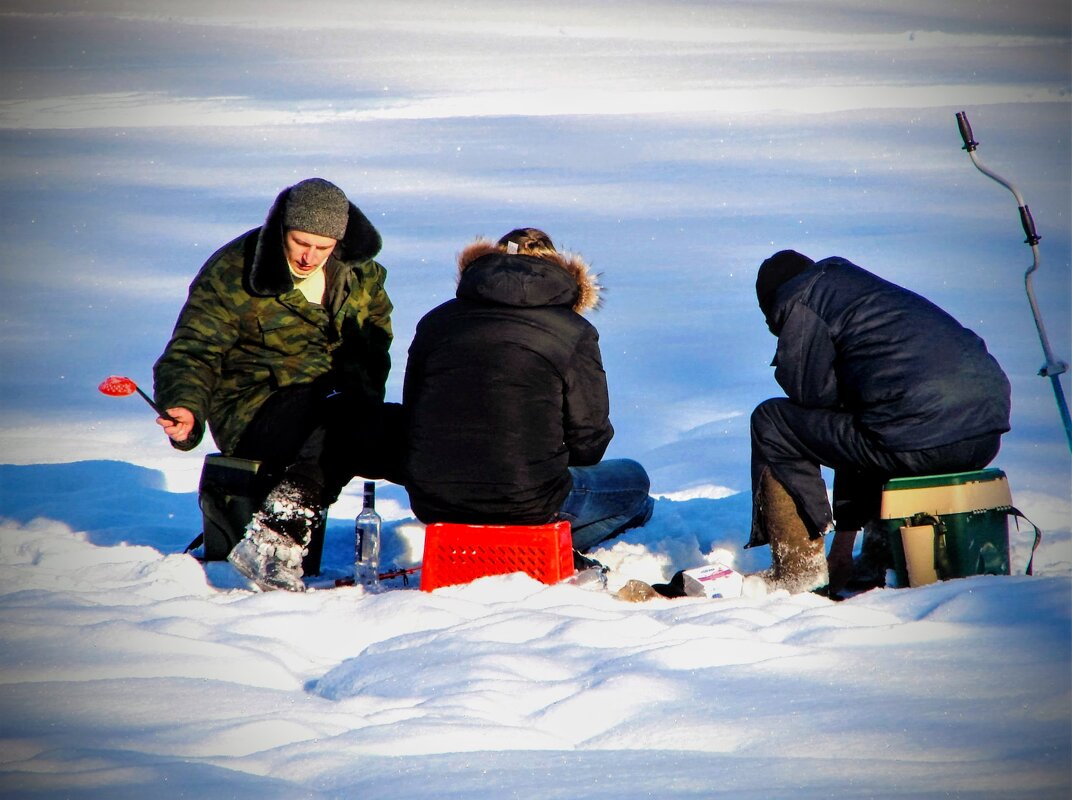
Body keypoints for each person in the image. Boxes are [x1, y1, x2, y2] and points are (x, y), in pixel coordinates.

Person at [153, 177, 397, 592]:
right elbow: (194, 350)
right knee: (337, 419)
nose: (309, 257)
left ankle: (478, 523)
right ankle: (273, 542)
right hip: (253, 410)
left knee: (411, 429)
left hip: (338, 406)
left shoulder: (362, 273)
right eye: (301, 242)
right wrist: (186, 405)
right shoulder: (235, 270)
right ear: (282, 228)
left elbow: (375, 345)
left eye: (323, 247)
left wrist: (369, 410)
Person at [748, 250, 1011, 595]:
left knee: (773, 422)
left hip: (921, 435)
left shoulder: (802, 304)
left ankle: (798, 571)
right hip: (983, 433)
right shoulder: (861, 293)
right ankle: (879, 557)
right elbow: (855, 431)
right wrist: (844, 546)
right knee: (881, 420)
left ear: (772, 305)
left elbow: (815, 403)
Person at [402, 228, 653, 560]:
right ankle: (547, 549)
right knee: (636, 485)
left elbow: (413, 413)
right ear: (561, 272)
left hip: (433, 501)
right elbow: (589, 439)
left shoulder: (435, 322)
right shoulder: (573, 331)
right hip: (529, 501)